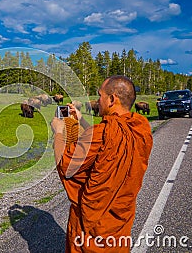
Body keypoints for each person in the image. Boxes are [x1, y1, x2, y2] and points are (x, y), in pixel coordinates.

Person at [51, 76, 153, 252]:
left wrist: (59, 132)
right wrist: (81, 120)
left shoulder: (103, 133)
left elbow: (66, 164)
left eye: (100, 96)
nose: (98, 101)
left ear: (112, 99)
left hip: (93, 225)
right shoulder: (141, 128)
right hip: (120, 219)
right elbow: (104, 140)